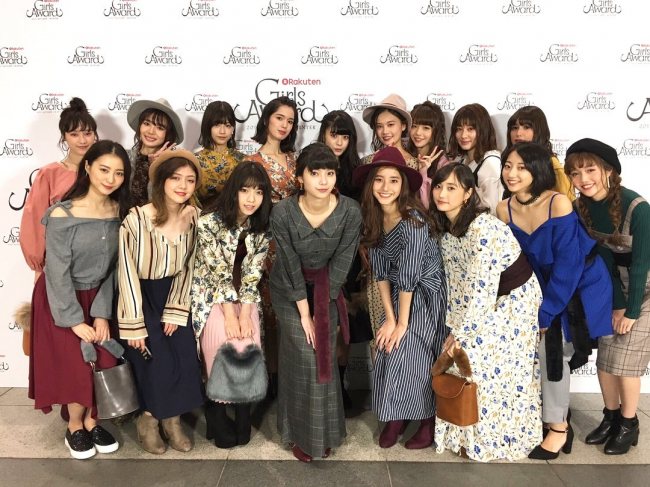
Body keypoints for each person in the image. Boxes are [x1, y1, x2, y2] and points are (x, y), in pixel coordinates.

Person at [496, 142, 613, 460]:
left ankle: (559, 428)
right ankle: (546, 415)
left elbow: (568, 265)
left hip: (578, 285)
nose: (512, 173)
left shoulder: (557, 202)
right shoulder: (503, 209)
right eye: (508, 166)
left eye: (521, 167)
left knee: (552, 350)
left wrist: (546, 312)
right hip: (539, 286)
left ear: (537, 170)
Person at [431, 163, 543, 462]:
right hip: (484, 301)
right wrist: (454, 327)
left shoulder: (484, 228)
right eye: (438, 186)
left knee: (485, 363)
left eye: (451, 188)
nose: (442, 193)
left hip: (515, 301)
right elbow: (457, 283)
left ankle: (498, 439)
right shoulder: (447, 231)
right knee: (462, 358)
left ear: (468, 193)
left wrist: (462, 333)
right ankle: (463, 435)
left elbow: (482, 288)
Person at [28, 140, 131, 459]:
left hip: (99, 296)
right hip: (61, 299)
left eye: (118, 173)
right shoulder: (61, 213)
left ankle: (91, 420)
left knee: (103, 360)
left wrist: (101, 314)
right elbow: (56, 272)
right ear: (87, 167)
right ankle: (75, 426)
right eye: (104, 170)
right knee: (75, 365)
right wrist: (74, 321)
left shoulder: (119, 212)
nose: (111, 179)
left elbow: (115, 268)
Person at [269, 143, 361, 462]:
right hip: (287, 290)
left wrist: (322, 307)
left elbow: (344, 261)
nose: (323, 180)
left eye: (330, 173)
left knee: (324, 353)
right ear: (300, 178)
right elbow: (289, 263)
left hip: (327, 288)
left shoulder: (350, 211)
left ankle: (325, 433)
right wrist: (305, 313)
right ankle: (298, 434)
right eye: (315, 173)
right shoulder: (282, 212)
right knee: (304, 357)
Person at [352, 146, 447, 450]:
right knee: (385, 344)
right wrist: (389, 318)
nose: (385, 187)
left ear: (403, 185)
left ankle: (427, 420)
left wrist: (402, 324)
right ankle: (397, 414)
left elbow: (409, 275)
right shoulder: (375, 217)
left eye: (393, 181)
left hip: (426, 293)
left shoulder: (413, 221)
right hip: (399, 294)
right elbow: (379, 271)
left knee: (408, 349)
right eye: (379, 180)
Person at [565, 138, 650, 455]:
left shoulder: (638, 208)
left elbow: (641, 264)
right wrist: (616, 304)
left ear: (609, 170)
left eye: (590, 170)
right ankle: (611, 417)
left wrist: (631, 311)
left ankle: (629, 424)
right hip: (611, 288)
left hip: (645, 290)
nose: (583, 179)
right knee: (604, 360)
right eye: (575, 173)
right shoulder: (580, 208)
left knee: (625, 361)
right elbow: (601, 260)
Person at [117, 149, 204, 455]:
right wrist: (134, 323)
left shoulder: (194, 219)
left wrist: (176, 309)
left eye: (190, 180)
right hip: (140, 296)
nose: (183, 186)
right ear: (162, 181)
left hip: (175, 295)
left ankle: (173, 421)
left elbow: (190, 267)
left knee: (184, 355)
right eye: (176, 178)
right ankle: (149, 421)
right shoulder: (137, 219)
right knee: (155, 361)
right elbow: (126, 270)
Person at [191, 161, 272, 448]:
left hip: (245, 296)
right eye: (245, 190)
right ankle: (215, 410)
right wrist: (229, 315)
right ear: (233, 191)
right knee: (222, 340)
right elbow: (218, 272)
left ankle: (243, 410)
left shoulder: (261, 225)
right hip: (210, 294)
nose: (252, 198)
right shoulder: (208, 222)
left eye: (259, 192)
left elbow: (253, 273)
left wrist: (245, 314)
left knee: (248, 341)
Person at [248, 96, 300, 397]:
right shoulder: (251, 162)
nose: (284, 125)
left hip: (297, 242)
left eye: (290, 121)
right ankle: (267, 381)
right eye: (279, 118)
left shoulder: (296, 160)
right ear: (267, 118)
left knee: (293, 309)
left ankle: (290, 379)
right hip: (265, 242)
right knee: (268, 309)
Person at [317, 110, 367, 409]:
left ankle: (341, 387)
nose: (338, 141)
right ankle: (326, 388)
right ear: (323, 133)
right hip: (318, 256)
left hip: (350, 258)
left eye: (345, 136)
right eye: (334, 134)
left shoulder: (357, 171)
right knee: (324, 323)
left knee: (345, 326)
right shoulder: (312, 165)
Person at [20, 97, 98, 282]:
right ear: (64, 136)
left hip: (98, 265)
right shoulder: (49, 174)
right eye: (74, 134)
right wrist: (38, 267)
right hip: (59, 264)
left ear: (95, 135)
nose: (82, 140)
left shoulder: (104, 172)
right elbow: (35, 221)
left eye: (87, 133)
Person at [505, 106, 573, 200]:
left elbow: (567, 201)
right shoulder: (508, 160)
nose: (518, 133)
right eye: (514, 128)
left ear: (539, 131)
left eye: (526, 127)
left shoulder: (551, 163)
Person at [126, 97, 184, 207]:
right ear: (140, 126)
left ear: (168, 133)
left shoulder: (175, 164)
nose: (151, 131)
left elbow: (169, 203)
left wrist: (158, 167)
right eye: (147, 123)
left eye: (160, 128)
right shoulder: (125, 157)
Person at [448, 103, 503, 215]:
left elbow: (493, 210)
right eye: (459, 129)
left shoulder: (490, 162)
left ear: (483, 130)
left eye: (470, 129)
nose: (463, 135)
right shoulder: (461, 160)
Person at [194, 100, 245, 207]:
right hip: (202, 215)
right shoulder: (195, 160)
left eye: (227, 125)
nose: (222, 131)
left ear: (233, 128)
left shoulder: (243, 161)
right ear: (208, 127)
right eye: (217, 125)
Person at [407, 100, 450, 207]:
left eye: (426, 128)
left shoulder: (443, 165)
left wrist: (423, 172)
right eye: (414, 126)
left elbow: (430, 206)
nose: (418, 132)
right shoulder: (405, 156)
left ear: (436, 131)